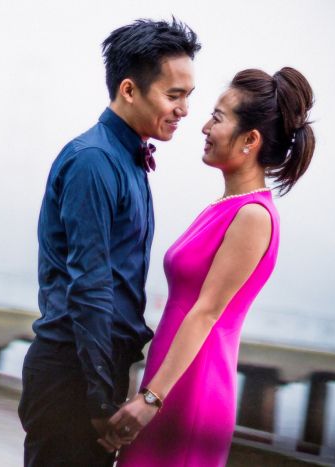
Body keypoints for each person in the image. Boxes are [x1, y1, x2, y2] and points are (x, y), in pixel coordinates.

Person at [17, 19, 201, 467]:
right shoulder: (95, 161)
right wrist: (100, 402)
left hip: (93, 370)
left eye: (188, 97)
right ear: (129, 90)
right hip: (72, 376)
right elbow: (92, 285)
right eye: (173, 96)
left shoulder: (128, 159)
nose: (184, 110)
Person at [110, 67, 316, 467]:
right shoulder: (223, 208)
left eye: (218, 118)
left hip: (191, 389)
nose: (204, 126)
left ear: (250, 140)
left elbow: (206, 312)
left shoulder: (253, 216)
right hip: (169, 381)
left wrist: (151, 398)